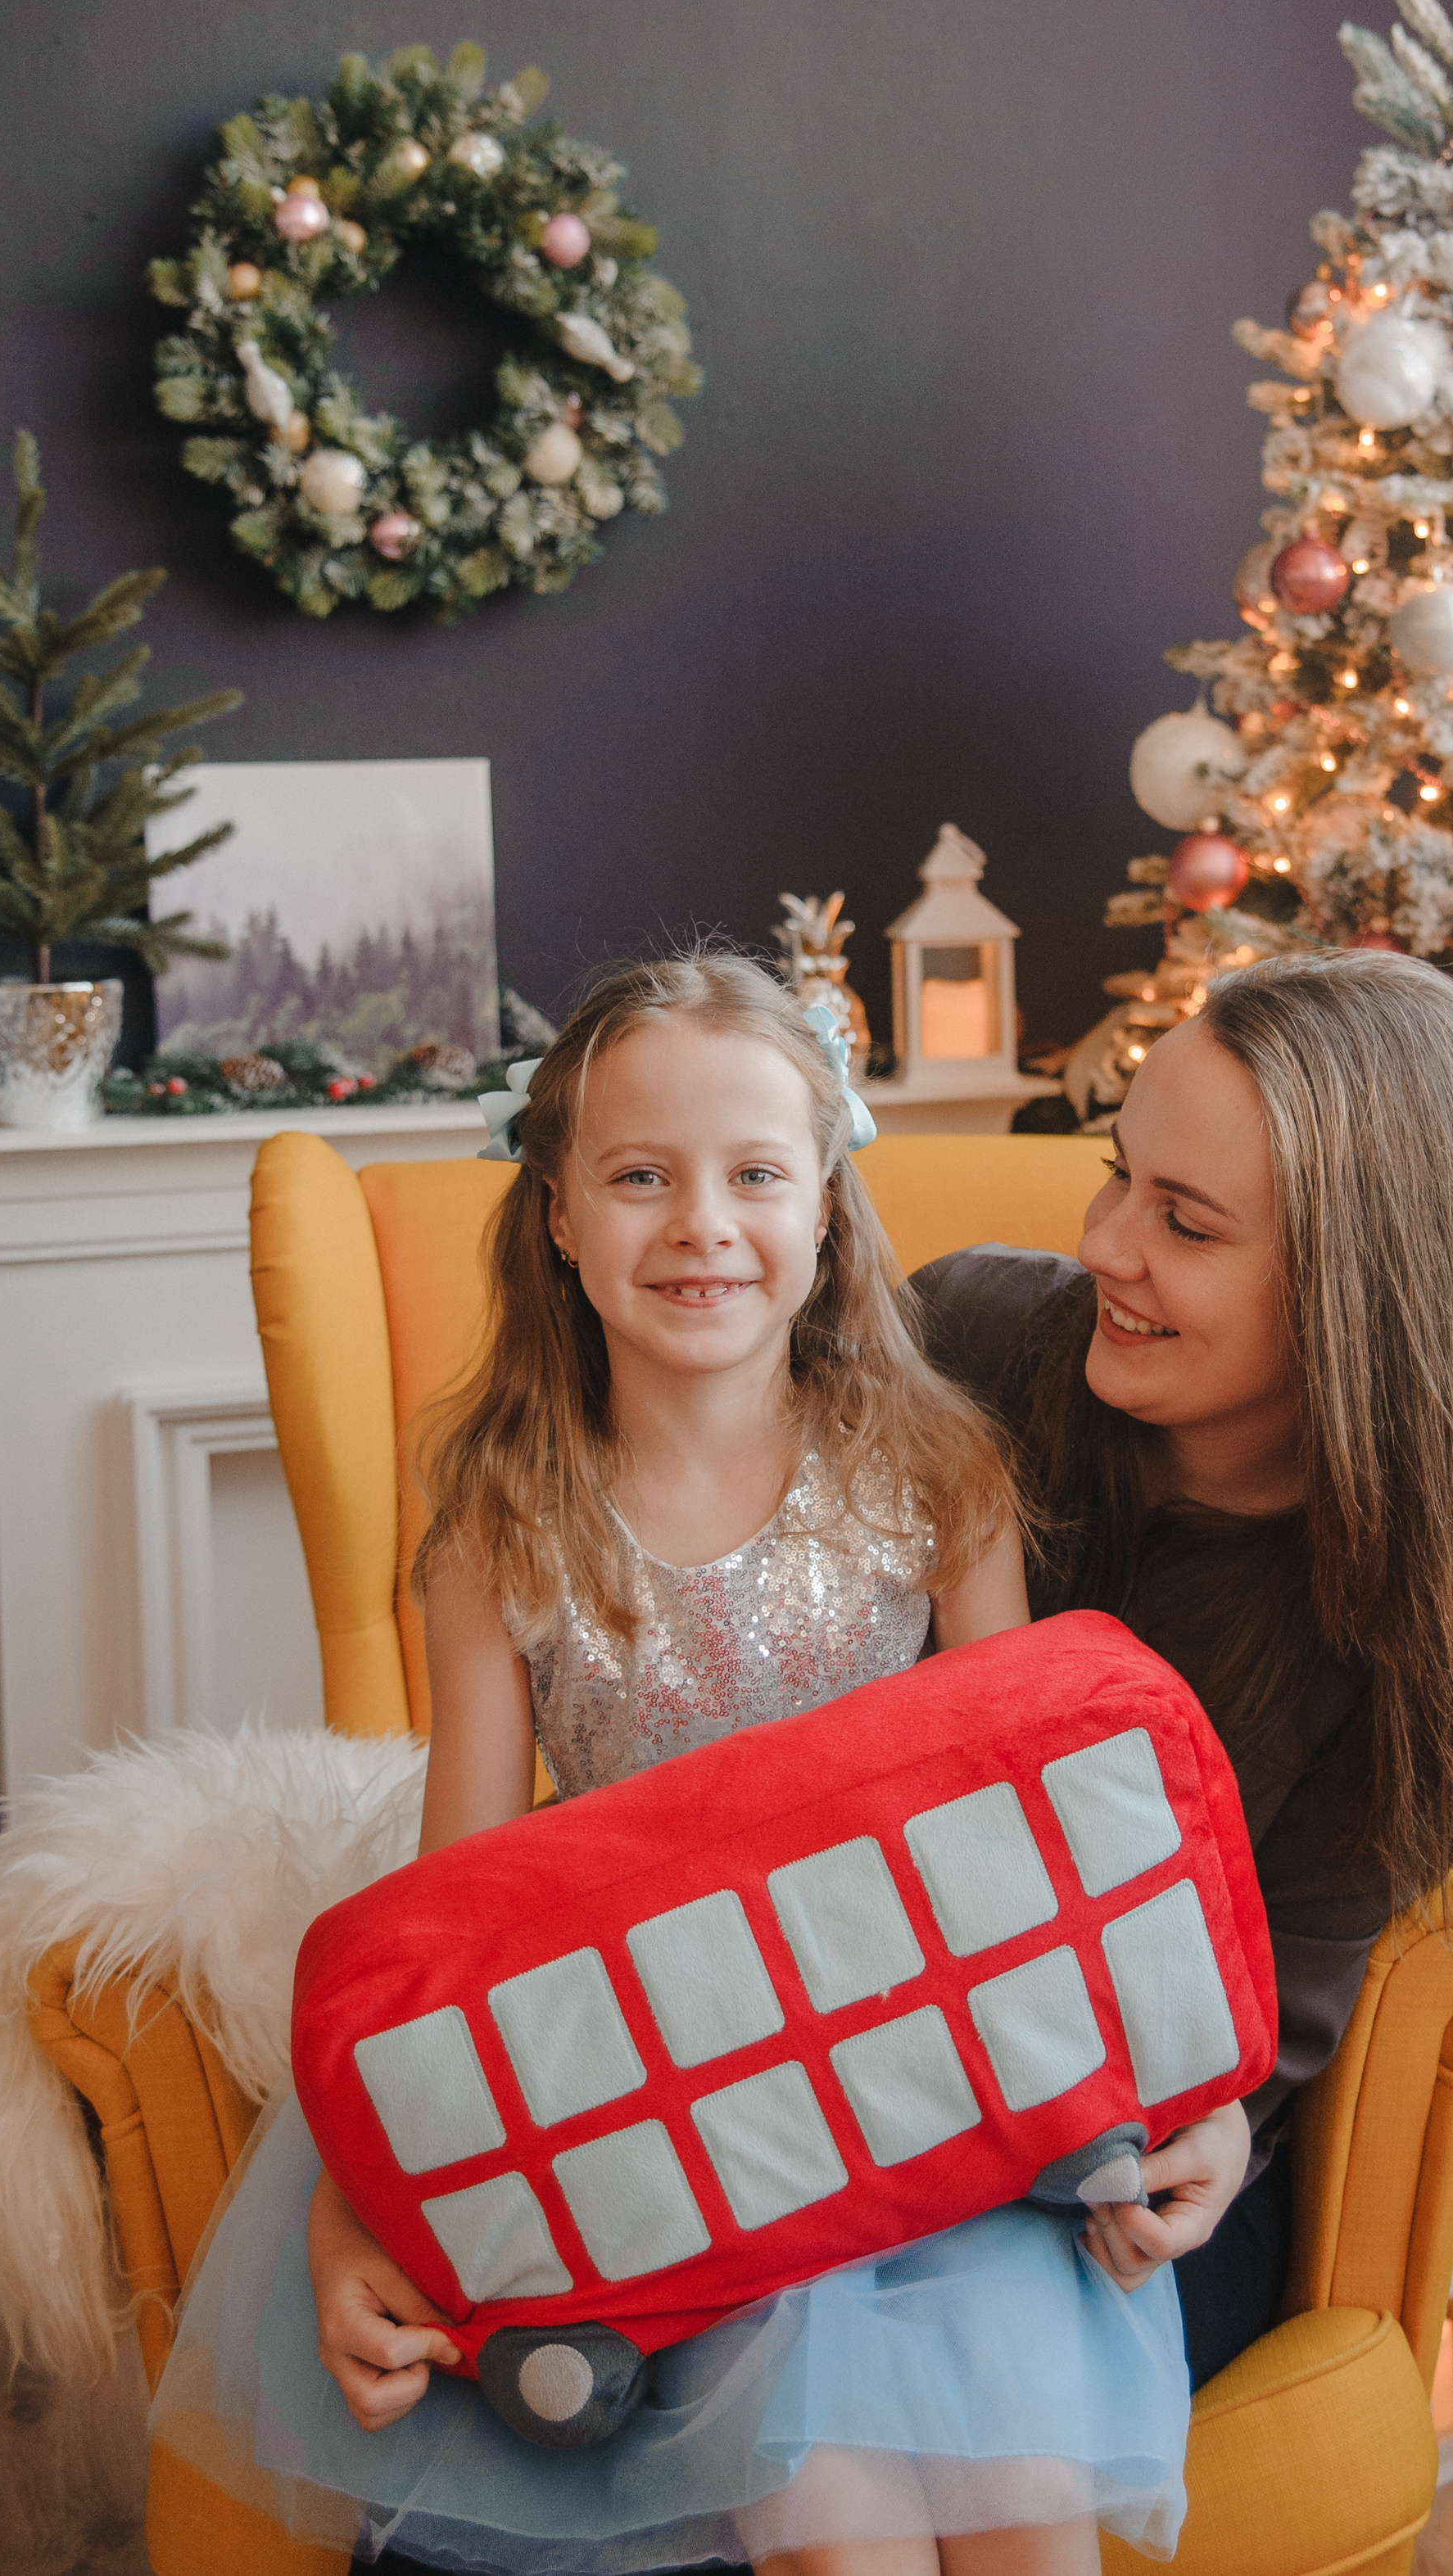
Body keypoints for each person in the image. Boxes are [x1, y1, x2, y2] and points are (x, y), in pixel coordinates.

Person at [149, 951, 1248, 2576]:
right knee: (828, 2503)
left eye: (752, 1175)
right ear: (559, 1216)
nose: (700, 1225)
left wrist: (1176, 2095)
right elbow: (465, 1911)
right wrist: (362, 2199)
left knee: (1018, 2488)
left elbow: (1036, 1827)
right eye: (639, 1177)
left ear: (823, 1208)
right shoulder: (500, 1530)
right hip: (667, 2130)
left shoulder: (939, 1476)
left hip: (927, 2105)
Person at [909, 948, 1453, 2384]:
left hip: (1109, 2178)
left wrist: (1216, 2129)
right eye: (1118, 1175)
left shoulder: (1415, 1624)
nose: (1104, 1241)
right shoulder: (962, 1344)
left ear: (1366, 1298)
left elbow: (1263, 2018)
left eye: (1187, 1224)